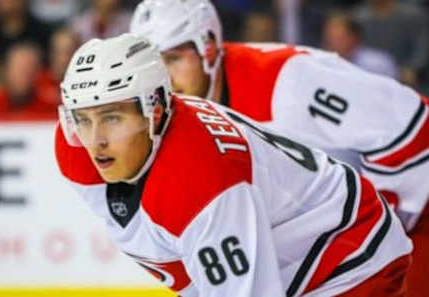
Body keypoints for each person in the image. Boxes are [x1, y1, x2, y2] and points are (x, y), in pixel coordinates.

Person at [55, 33, 412, 297]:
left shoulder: (201, 180)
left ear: (156, 111)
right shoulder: (75, 148)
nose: (95, 139)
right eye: (82, 119)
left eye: (112, 118)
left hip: (350, 253)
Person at [129, 1, 429, 295]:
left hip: (408, 227)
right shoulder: (173, 123)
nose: (163, 81)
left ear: (207, 47)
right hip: (343, 245)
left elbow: (412, 123)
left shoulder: (288, 78)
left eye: (172, 59)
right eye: (152, 69)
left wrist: (384, 218)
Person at [0, 42, 57, 117]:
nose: (23, 75)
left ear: (38, 73)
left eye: (28, 69)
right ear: (6, 71)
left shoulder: (51, 108)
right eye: (18, 69)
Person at [322, 11, 398, 79]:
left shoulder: (379, 63)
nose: (330, 42)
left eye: (337, 37)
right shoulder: (322, 63)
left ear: (354, 37)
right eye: (329, 36)